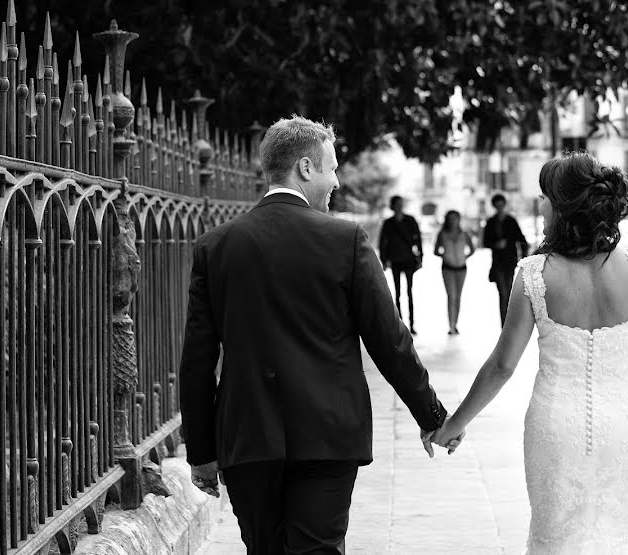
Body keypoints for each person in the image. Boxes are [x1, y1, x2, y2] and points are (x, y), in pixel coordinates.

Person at [179, 116, 457, 554]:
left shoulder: (216, 246)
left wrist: (201, 451)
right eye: (332, 168)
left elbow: (197, 358)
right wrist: (432, 415)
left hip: (248, 438)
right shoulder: (345, 239)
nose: (336, 181)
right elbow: (390, 339)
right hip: (327, 434)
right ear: (306, 168)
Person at [434, 152, 628, 552]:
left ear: (566, 207)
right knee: (620, 537)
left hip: (554, 426)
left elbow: (502, 365)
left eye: (546, 196)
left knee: (555, 540)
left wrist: (454, 423)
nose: (541, 204)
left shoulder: (533, 274)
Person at [378, 196, 422, 334]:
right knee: (397, 293)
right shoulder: (388, 223)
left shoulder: (410, 220)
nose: (399, 206)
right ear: (393, 206)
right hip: (395, 260)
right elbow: (382, 243)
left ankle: (412, 323)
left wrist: (421, 258)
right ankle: (400, 323)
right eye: (397, 204)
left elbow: (418, 239)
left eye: (400, 204)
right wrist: (384, 260)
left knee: (409, 292)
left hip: (408, 260)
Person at [483, 193, 528, 326]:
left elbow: (521, 239)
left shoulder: (511, 221)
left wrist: (523, 257)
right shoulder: (491, 222)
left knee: (507, 292)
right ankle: (506, 323)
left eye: (501, 205)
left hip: (509, 262)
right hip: (497, 262)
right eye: (497, 205)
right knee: (503, 292)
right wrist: (496, 244)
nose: (499, 207)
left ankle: (508, 323)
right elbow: (485, 242)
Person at [433, 210, 475, 335]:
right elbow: (435, 251)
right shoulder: (442, 234)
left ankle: (455, 324)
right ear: (447, 220)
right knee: (451, 296)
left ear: (459, 220)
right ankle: (451, 325)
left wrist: (464, 257)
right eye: (450, 218)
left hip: (462, 268)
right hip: (447, 268)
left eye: (455, 218)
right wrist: (445, 256)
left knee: (458, 297)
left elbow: (472, 249)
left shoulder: (464, 234)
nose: (453, 221)